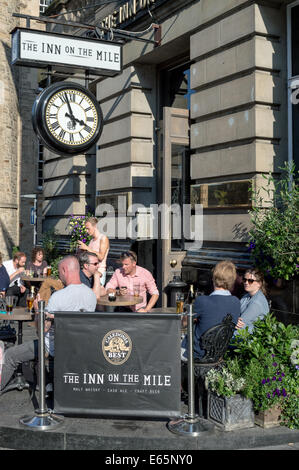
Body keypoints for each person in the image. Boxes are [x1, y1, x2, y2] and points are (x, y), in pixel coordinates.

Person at [0, 255, 97, 392]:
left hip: (54, 347)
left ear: (64, 270)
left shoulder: (58, 297)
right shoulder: (91, 295)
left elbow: (41, 331)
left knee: (10, 355)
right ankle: (44, 383)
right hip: (78, 347)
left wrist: (37, 310)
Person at [181, 260, 241, 361]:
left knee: (167, 345)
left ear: (213, 278)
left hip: (195, 354)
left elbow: (183, 323)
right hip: (218, 355)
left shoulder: (202, 301)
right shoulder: (236, 302)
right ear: (232, 281)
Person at [77, 217, 109, 286]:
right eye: (86, 229)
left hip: (99, 273)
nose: (86, 231)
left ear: (95, 226)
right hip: (90, 273)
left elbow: (101, 257)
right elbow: (89, 256)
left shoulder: (103, 238)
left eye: (88, 228)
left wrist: (86, 248)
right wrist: (80, 251)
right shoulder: (92, 240)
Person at [235, 268, 269, 334]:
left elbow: (241, 323)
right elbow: (235, 311)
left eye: (250, 281)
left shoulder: (256, 302)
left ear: (259, 284)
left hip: (247, 338)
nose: (246, 283)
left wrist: (234, 319)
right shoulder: (247, 296)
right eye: (244, 280)